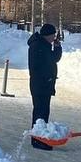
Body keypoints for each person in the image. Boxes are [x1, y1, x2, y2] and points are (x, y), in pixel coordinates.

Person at [27, 23, 63, 151]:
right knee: (40, 112)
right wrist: (47, 77)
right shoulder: (39, 46)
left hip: (44, 83)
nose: (54, 37)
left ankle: (40, 138)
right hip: (40, 84)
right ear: (47, 35)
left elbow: (53, 59)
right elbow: (51, 59)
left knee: (43, 112)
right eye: (53, 35)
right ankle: (37, 139)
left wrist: (57, 47)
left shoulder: (43, 44)